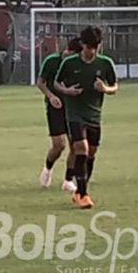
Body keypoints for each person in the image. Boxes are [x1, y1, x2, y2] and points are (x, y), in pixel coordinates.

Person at [55, 26, 118, 209]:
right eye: (88, 47)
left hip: (94, 114)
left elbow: (115, 87)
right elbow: (57, 83)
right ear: (82, 45)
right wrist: (66, 91)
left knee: (91, 152)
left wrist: (105, 89)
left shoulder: (105, 63)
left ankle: (80, 190)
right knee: (80, 147)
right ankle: (83, 194)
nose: (91, 51)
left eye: (95, 47)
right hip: (74, 113)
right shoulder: (70, 63)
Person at [37, 37, 82, 193]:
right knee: (59, 145)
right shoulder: (52, 61)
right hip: (55, 107)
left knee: (76, 145)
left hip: (73, 108)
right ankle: (47, 169)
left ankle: (68, 180)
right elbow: (40, 82)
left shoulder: (78, 64)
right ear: (69, 51)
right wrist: (51, 96)